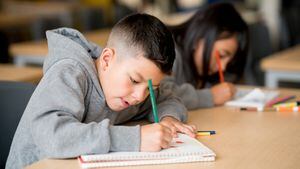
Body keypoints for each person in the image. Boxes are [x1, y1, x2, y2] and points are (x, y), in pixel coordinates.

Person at [6, 13, 196, 169]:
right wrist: (134, 138)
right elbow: (53, 136)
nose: (140, 96)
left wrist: (168, 118)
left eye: (150, 89)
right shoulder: (70, 73)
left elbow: (168, 98)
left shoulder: (128, 92)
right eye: (134, 80)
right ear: (106, 59)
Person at [164, 3, 249, 110]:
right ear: (198, 39)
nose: (223, 67)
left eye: (229, 61)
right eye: (222, 55)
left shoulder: (199, 66)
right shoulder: (166, 50)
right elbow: (160, 97)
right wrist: (211, 96)